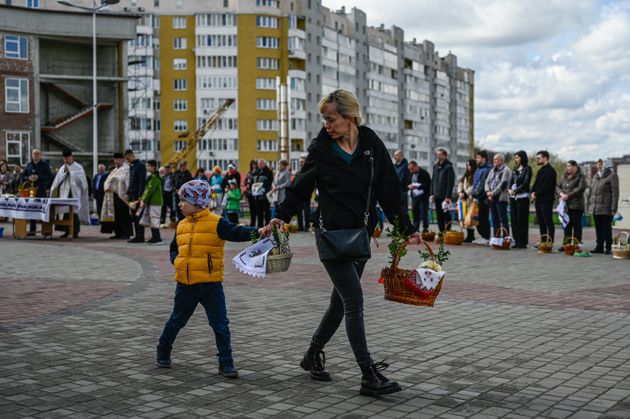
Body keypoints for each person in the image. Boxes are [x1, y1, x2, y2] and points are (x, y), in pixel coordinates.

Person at [263, 89, 422, 397]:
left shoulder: (371, 144)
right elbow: (299, 188)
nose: (326, 124)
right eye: (324, 118)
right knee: (353, 300)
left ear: (350, 118)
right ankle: (368, 374)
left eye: (331, 118)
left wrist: (406, 228)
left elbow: (389, 189)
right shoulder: (321, 148)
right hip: (331, 235)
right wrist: (281, 215)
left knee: (339, 303)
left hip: (361, 236)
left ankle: (312, 354)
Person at [156, 180, 265, 378]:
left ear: (196, 201)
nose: (180, 204)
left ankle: (226, 362)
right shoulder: (181, 225)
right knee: (177, 320)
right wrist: (178, 262)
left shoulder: (216, 222)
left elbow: (237, 232)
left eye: (183, 200)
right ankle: (163, 349)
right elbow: (174, 248)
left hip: (211, 285)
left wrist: (258, 231)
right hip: (186, 285)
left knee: (220, 324)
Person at [49, 149, 89, 238]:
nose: (66, 160)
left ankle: (75, 231)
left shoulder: (78, 167)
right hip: (63, 193)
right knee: (64, 213)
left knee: (74, 213)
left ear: (72, 157)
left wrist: (70, 173)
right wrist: (64, 174)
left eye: (68, 158)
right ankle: (66, 231)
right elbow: (57, 180)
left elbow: (82, 182)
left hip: (73, 193)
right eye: (65, 159)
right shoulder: (62, 168)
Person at [587, 159, 619, 254]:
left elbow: (615, 193)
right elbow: (591, 192)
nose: (599, 166)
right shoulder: (595, 176)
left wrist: (613, 208)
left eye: (601, 165)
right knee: (598, 228)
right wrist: (589, 205)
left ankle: (608, 247)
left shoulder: (612, 176)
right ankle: (599, 246)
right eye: (598, 165)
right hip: (595, 207)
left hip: (606, 207)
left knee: (606, 228)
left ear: (606, 165)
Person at [556, 160, 587, 250]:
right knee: (567, 226)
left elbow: (581, 188)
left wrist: (568, 195)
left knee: (576, 226)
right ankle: (566, 244)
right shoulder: (564, 176)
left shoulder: (581, 176)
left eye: (569, 166)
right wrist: (561, 193)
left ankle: (576, 244)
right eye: (567, 166)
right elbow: (557, 186)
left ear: (575, 166)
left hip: (576, 206)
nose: (567, 168)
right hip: (565, 206)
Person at [101, 153, 132, 240]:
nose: (115, 161)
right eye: (114, 160)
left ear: (122, 159)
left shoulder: (126, 168)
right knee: (117, 215)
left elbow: (124, 180)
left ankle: (126, 233)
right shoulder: (115, 170)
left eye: (117, 160)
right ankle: (118, 233)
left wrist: (114, 181)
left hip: (122, 195)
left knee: (124, 215)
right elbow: (109, 180)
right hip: (114, 195)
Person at [22, 148, 53, 235]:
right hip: (31, 192)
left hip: (41, 191)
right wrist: (28, 178)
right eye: (34, 154)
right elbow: (22, 176)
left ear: (40, 155)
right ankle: (32, 230)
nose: (35, 155)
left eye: (37, 154)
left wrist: (38, 177)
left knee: (43, 210)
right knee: (32, 210)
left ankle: (46, 231)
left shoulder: (45, 165)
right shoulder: (28, 165)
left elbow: (49, 176)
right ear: (32, 155)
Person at [531, 150, 557, 245]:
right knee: (541, 222)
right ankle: (543, 241)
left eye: (539, 158)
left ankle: (550, 242)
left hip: (546, 200)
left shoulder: (551, 171)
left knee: (548, 221)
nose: (537, 160)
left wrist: (536, 193)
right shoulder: (541, 170)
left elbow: (546, 185)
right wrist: (532, 192)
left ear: (545, 158)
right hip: (538, 200)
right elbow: (536, 183)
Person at [508, 151, 532, 249]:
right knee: (514, 219)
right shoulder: (515, 168)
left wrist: (516, 191)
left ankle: (523, 242)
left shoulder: (528, 169)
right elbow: (511, 180)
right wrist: (509, 189)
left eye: (517, 157)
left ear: (522, 157)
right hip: (513, 197)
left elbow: (526, 183)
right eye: (515, 158)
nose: (516, 159)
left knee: (521, 220)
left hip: (522, 197)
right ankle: (516, 241)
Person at [485, 153, 512, 238]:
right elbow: (487, 182)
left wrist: (492, 193)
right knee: (494, 219)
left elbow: (502, 185)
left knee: (503, 219)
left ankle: (505, 238)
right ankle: (496, 237)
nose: (494, 161)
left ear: (501, 160)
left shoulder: (506, 170)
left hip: (501, 198)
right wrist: (487, 191)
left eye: (496, 159)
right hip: (492, 197)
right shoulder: (493, 170)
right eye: (493, 159)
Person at [430, 148, 455, 232]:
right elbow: (433, 180)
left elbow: (450, 182)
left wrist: (448, 196)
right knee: (439, 215)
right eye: (437, 154)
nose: (438, 156)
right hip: (436, 195)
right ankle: (441, 231)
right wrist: (432, 193)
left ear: (444, 155)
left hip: (445, 197)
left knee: (446, 215)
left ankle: (448, 231)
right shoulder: (435, 166)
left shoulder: (449, 167)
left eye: (440, 154)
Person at [139, 160, 164, 244]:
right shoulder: (152, 177)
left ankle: (157, 238)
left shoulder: (154, 178)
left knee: (154, 220)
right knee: (152, 219)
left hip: (155, 202)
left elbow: (149, 190)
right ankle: (155, 237)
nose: (146, 167)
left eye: (148, 166)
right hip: (153, 202)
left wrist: (143, 199)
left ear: (153, 167)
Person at [124, 149, 146, 243]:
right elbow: (131, 181)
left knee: (138, 216)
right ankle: (137, 235)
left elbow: (142, 181)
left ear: (131, 155)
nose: (127, 160)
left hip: (138, 196)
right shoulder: (132, 166)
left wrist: (141, 196)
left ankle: (140, 236)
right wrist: (128, 193)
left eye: (127, 158)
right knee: (134, 216)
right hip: (132, 195)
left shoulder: (140, 165)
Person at [407, 160, 431, 232]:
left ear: (416, 166)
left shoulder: (424, 173)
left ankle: (425, 228)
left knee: (424, 213)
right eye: (410, 169)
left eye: (412, 168)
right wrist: (409, 186)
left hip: (423, 197)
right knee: (415, 213)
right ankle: (416, 228)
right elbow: (408, 182)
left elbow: (428, 185)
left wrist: (417, 187)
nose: (411, 170)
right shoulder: (411, 174)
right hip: (414, 196)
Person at [457, 159, 477, 242]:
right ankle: (469, 235)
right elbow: (460, 184)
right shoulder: (466, 175)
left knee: (470, 217)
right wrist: (460, 192)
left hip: (470, 198)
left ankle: (471, 236)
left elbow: (474, 187)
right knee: (464, 217)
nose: (468, 167)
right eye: (467, 165)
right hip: (463, 199)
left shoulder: (475, 175)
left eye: (469, 165)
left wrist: (465, 193)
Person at [252, 159, 273, 227]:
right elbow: (253, 181)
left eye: (261, 164)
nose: (260, 165)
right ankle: (259, 226)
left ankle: (267, 226)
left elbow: (270, 181)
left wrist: (262, 185)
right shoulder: (256, 172)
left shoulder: (268, 172)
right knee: (259, 212)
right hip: (257, 195)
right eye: (258, 164)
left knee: (266, 211)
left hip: (265, 195)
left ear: (264, 164)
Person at [296, 154, 312, 232]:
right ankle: (300, 226)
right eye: (300, 162)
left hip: (306, 195)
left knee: (306, 212)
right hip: (298, 195)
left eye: (302, 162)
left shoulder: (309, 171)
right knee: (298, 212)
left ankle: (306, 226)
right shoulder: (298, 172)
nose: (300, 163)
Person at [244, 160, 258, 227]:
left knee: (256, 209)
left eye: (255, 164)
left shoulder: (258, 173)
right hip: (249, 193)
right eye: (253, 164)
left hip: (255, 193)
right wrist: (246, 184)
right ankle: (252, 223)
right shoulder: (249, 173)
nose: (254, 166)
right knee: (251, 209)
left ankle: (256, 223)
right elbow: (245, 181)